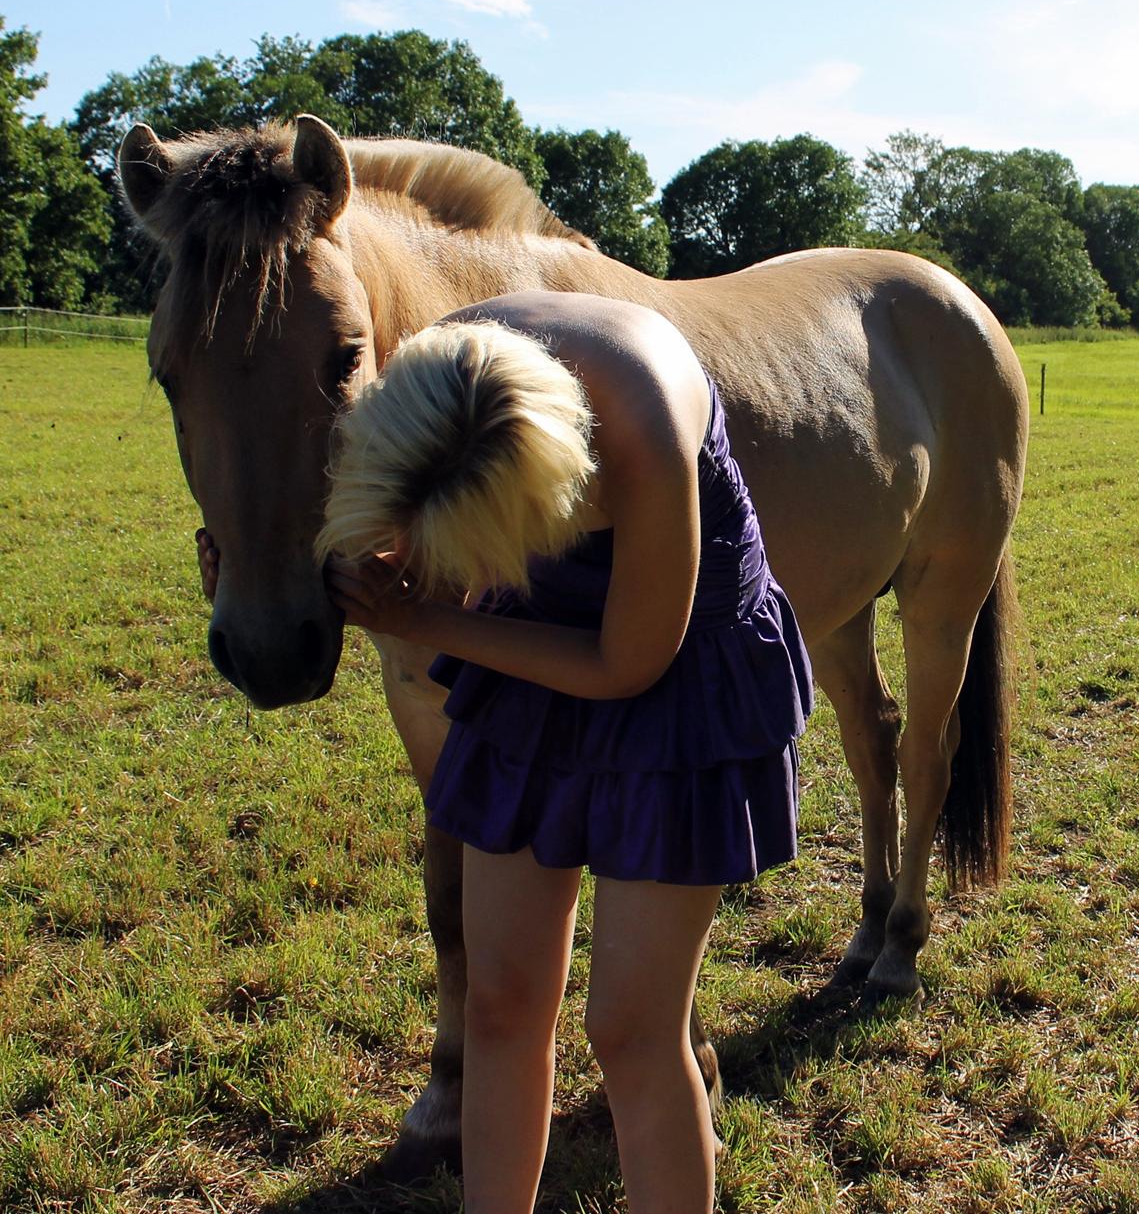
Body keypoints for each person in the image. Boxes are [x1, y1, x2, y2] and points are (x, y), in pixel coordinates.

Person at [204, 292, 813, 1213]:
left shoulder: (642, 420)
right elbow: (388, 505)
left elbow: (623, 661)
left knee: (634, 1032)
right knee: (499, 1001)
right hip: (536, 638)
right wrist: (292, 571)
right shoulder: (434, 377)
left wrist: (428, 616)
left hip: (680, 666)